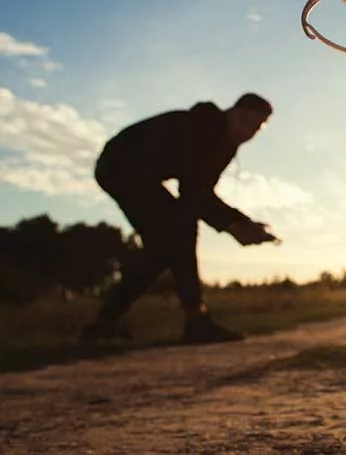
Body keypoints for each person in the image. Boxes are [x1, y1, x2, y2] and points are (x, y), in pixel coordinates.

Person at [80, 93, 279, 345]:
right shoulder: (203, 128)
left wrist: (241, 223)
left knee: (164, 248)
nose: (247, 131)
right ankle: (195, 321)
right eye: (244, 120)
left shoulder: (225, 142)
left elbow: (201, 193)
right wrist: (234, 226)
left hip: (141, 175)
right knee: (180, 230)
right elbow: (194, 192)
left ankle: (103, 323)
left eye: (255, 127)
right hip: (121, 165)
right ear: (231, 111)